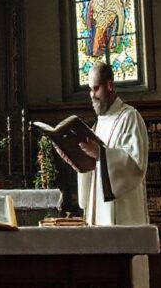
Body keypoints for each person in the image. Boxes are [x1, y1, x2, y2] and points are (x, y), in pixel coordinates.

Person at [54, 61, 150, 288]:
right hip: (100, 214)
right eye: (89, 89)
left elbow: (136, 165)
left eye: (95, 88)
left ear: (110, 85)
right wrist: (78, 163)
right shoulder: (98, 125)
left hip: (124, 214)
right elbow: (94, 168)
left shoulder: (130, 118)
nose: (92, 95)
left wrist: (102, 155)